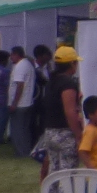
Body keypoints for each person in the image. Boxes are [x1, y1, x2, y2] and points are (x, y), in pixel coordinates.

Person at [36, 45, 83, 181]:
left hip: (50, 132)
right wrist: (79, 136)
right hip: (65, 133)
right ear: (72, 63)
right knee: (68, 174)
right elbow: (70, 112)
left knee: (54, 172)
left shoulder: (51, 81)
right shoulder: (68, 83)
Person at [7, 46, 38, 158]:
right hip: (27, 102)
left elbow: (19, 85)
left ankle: (21, 152)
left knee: (18, 129)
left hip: (20, 104)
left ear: (16, 54)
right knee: (25, 129)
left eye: (12, 55)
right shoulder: (28, 64)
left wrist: (14, 103)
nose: (11, 58)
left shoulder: (20, 66)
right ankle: (27, 149)